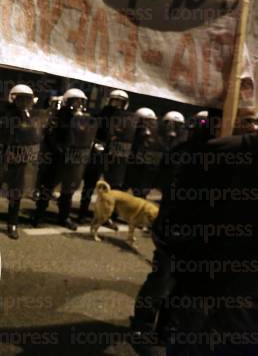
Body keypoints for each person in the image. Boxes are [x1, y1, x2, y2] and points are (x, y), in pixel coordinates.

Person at [132, 110, 258, 356]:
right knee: (163, 281)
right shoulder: (200, 151)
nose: (249, 126)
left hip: (230, 283)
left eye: (253, 122)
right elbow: (176, 195)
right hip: (193, 256)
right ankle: (143, 324)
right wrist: (175, 241)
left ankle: (165, 330)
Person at [32, 88, 97, 230]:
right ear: (68, 101)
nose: (78, 103)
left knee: (68, 189)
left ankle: (64, 217)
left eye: (80, 100)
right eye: (75, 100)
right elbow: (49, 135)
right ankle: (38, 215)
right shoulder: (59, 116)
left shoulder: (84, 118)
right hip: (58, 159)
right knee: (48, 187)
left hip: (74, 158)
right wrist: (59, 150)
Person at [0, 84, 40, 239]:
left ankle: (12, 224)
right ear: (13, 98)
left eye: (27, 99)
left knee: (16, 193)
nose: (24, 102)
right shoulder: (1, 114)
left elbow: (35, 138)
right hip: (1, 157)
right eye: (21, 98)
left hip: (20, 159)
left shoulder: (29, 116)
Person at [78, 89, 134, 222]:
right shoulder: (100, 115)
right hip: (98, 155)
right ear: (109, 100)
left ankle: (108, 215)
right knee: (90, 184)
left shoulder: (127, 120)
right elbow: (90, 132)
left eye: (121, 102)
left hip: (115, 157)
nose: (117, 105)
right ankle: (82, 212)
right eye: (115, 101)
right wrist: (95, 144)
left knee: (113, 187)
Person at [123, 107, 164, 199]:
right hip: (130, 165)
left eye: (150, 121)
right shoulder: (131, 131)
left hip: (143, 166)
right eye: (145, 121)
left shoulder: (155, 136)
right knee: (123, 189)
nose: (148, 124)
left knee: (140, 193)